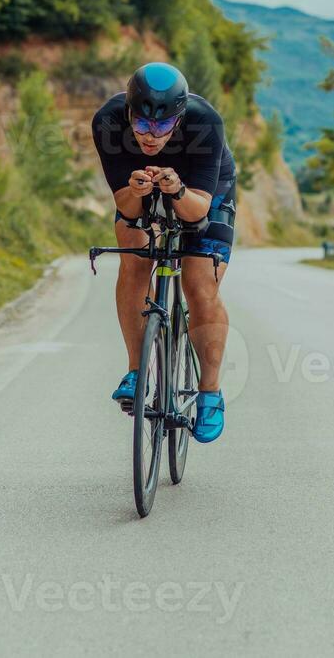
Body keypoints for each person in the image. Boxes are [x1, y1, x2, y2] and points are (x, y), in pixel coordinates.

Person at [91, 62, 236, 443]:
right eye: (141, 125)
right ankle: (137, 370)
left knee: (200, 284)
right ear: (128, 114)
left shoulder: (205, 122)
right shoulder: (108, 121)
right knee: (133, 256)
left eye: (161, 127)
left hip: (203, 191)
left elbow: (199, 210)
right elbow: (126, 207)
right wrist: (136, 192)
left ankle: (209, 392)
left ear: (179, 118)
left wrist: (176, 191)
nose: (150, 137)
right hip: (141, 185)